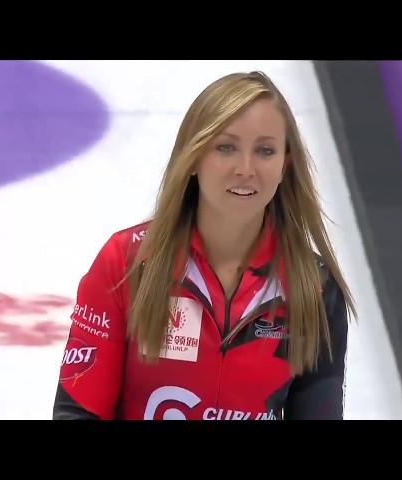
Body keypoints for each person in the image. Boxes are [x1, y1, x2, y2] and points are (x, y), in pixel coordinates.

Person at [52, 71, 356, 420]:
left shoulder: (313, 288)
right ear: (193, 156)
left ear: (285, 164)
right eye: (226, 147)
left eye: (265, 151)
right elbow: (78, 411)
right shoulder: (127, 262)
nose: (246, 168)